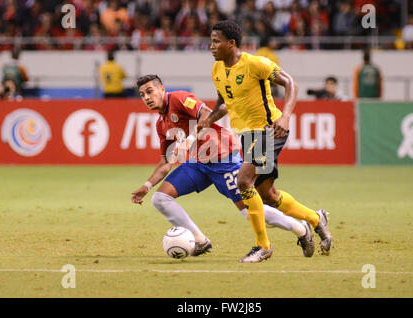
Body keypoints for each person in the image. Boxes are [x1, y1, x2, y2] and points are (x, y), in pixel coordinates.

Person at [130, 75, 315, 259]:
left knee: (248, 210)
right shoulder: (161, 124)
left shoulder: (178, 98)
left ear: (162, 89)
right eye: (142, 94)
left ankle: (301, 228)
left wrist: (190, 140)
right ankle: (200, 240)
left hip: (223, 158)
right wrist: (146, 186)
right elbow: (167, 161)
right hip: (198, 164)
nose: (146, 97)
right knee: (160, 198)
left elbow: (206, 113)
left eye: (149, 91)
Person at [199, 20, 332, 263]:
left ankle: (263, 246)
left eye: (216, 42)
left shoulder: (255, 63)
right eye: (211, 41)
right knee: (268, 195)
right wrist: (208, 119)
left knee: (243, 181)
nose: (211, 46)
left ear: (232, 44)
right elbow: (224, 104)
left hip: (269, 130)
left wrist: (287, 117)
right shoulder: (217, 70)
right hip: (247, 135)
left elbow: (290, 83)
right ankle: (315, 219)